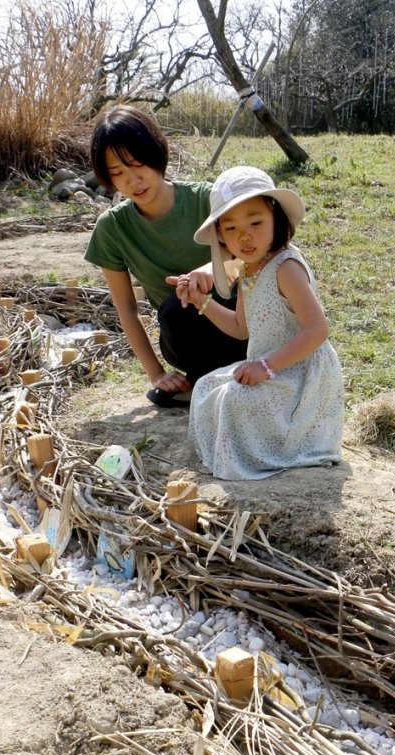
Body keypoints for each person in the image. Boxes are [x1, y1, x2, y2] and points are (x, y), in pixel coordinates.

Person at [183, 166, 344, 481]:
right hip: (269, 370)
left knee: (233, 399)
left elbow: (318, 330)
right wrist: (201, 302)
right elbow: (241, 328)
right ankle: (238, 452)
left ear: (275, 218)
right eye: (230, 228)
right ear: (220, 234)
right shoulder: (248, 270)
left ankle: (274, 451)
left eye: (255, 223)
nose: (244, 236)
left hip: (300, 377)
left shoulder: (286, 267)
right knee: (205, 387)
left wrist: (265, 367)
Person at [84, 105, 244, 407]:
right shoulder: (112, 228)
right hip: (184, 335)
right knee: (176, 306)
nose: (133, 180)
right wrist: (156, 374)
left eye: (138, 164)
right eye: (118, 173)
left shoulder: (205, 200)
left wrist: (210, 271)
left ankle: (227, 377)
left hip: (242, 321)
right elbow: (127, 308)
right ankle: (208, 379)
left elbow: (248, 256)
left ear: (157, 154)